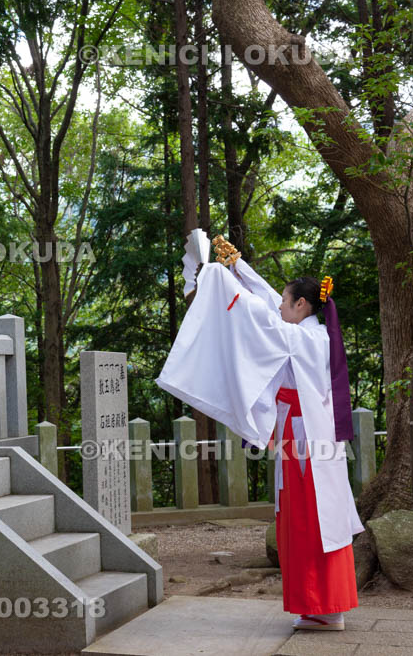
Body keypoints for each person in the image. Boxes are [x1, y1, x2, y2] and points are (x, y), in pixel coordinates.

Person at [156, 248, 364, 631]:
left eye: (288, 301)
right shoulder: (308, 332)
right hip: (302, 437)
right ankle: (320, 606)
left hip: (305, 445)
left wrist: (221, 281)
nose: (281, 305)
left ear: (302, 304)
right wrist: (238, 268)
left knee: (309, 524)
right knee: (306, 523)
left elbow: (258, 314)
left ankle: (327, 607)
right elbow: (270, 300)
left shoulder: (301, 339)